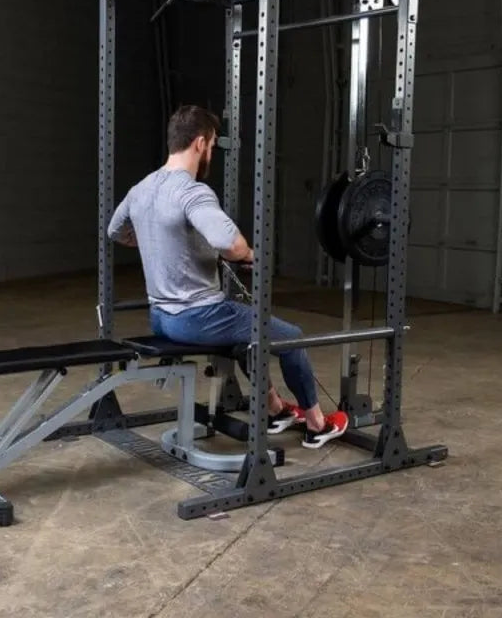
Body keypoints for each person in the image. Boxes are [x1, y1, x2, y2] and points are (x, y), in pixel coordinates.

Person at [107, 105, 348, 449]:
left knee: (247, 333)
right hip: (197, 317)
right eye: (213, 145)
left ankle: (276, 410)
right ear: (200, 143)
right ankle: (317, 425)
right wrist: (250, 256)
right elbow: (230, 243)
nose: (211, 154)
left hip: (161, 317)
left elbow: (115, 230)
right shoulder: (192, 192)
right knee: (290, 338)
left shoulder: (141, 189)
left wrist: (156, 240)